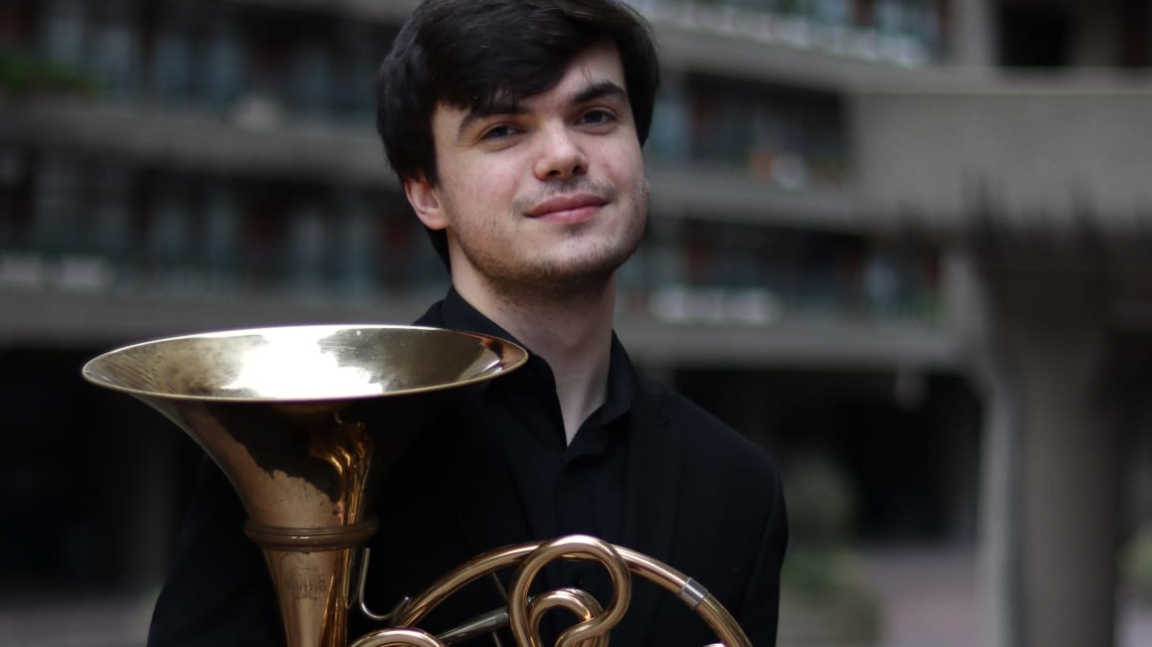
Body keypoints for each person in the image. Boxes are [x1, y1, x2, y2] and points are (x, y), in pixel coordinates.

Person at [146, 1, 788, 646]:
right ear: (426, 192)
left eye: (595, 117)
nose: (563, 155)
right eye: (503, 130)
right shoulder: (302, 440)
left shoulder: (737, 487)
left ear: (639, 152)